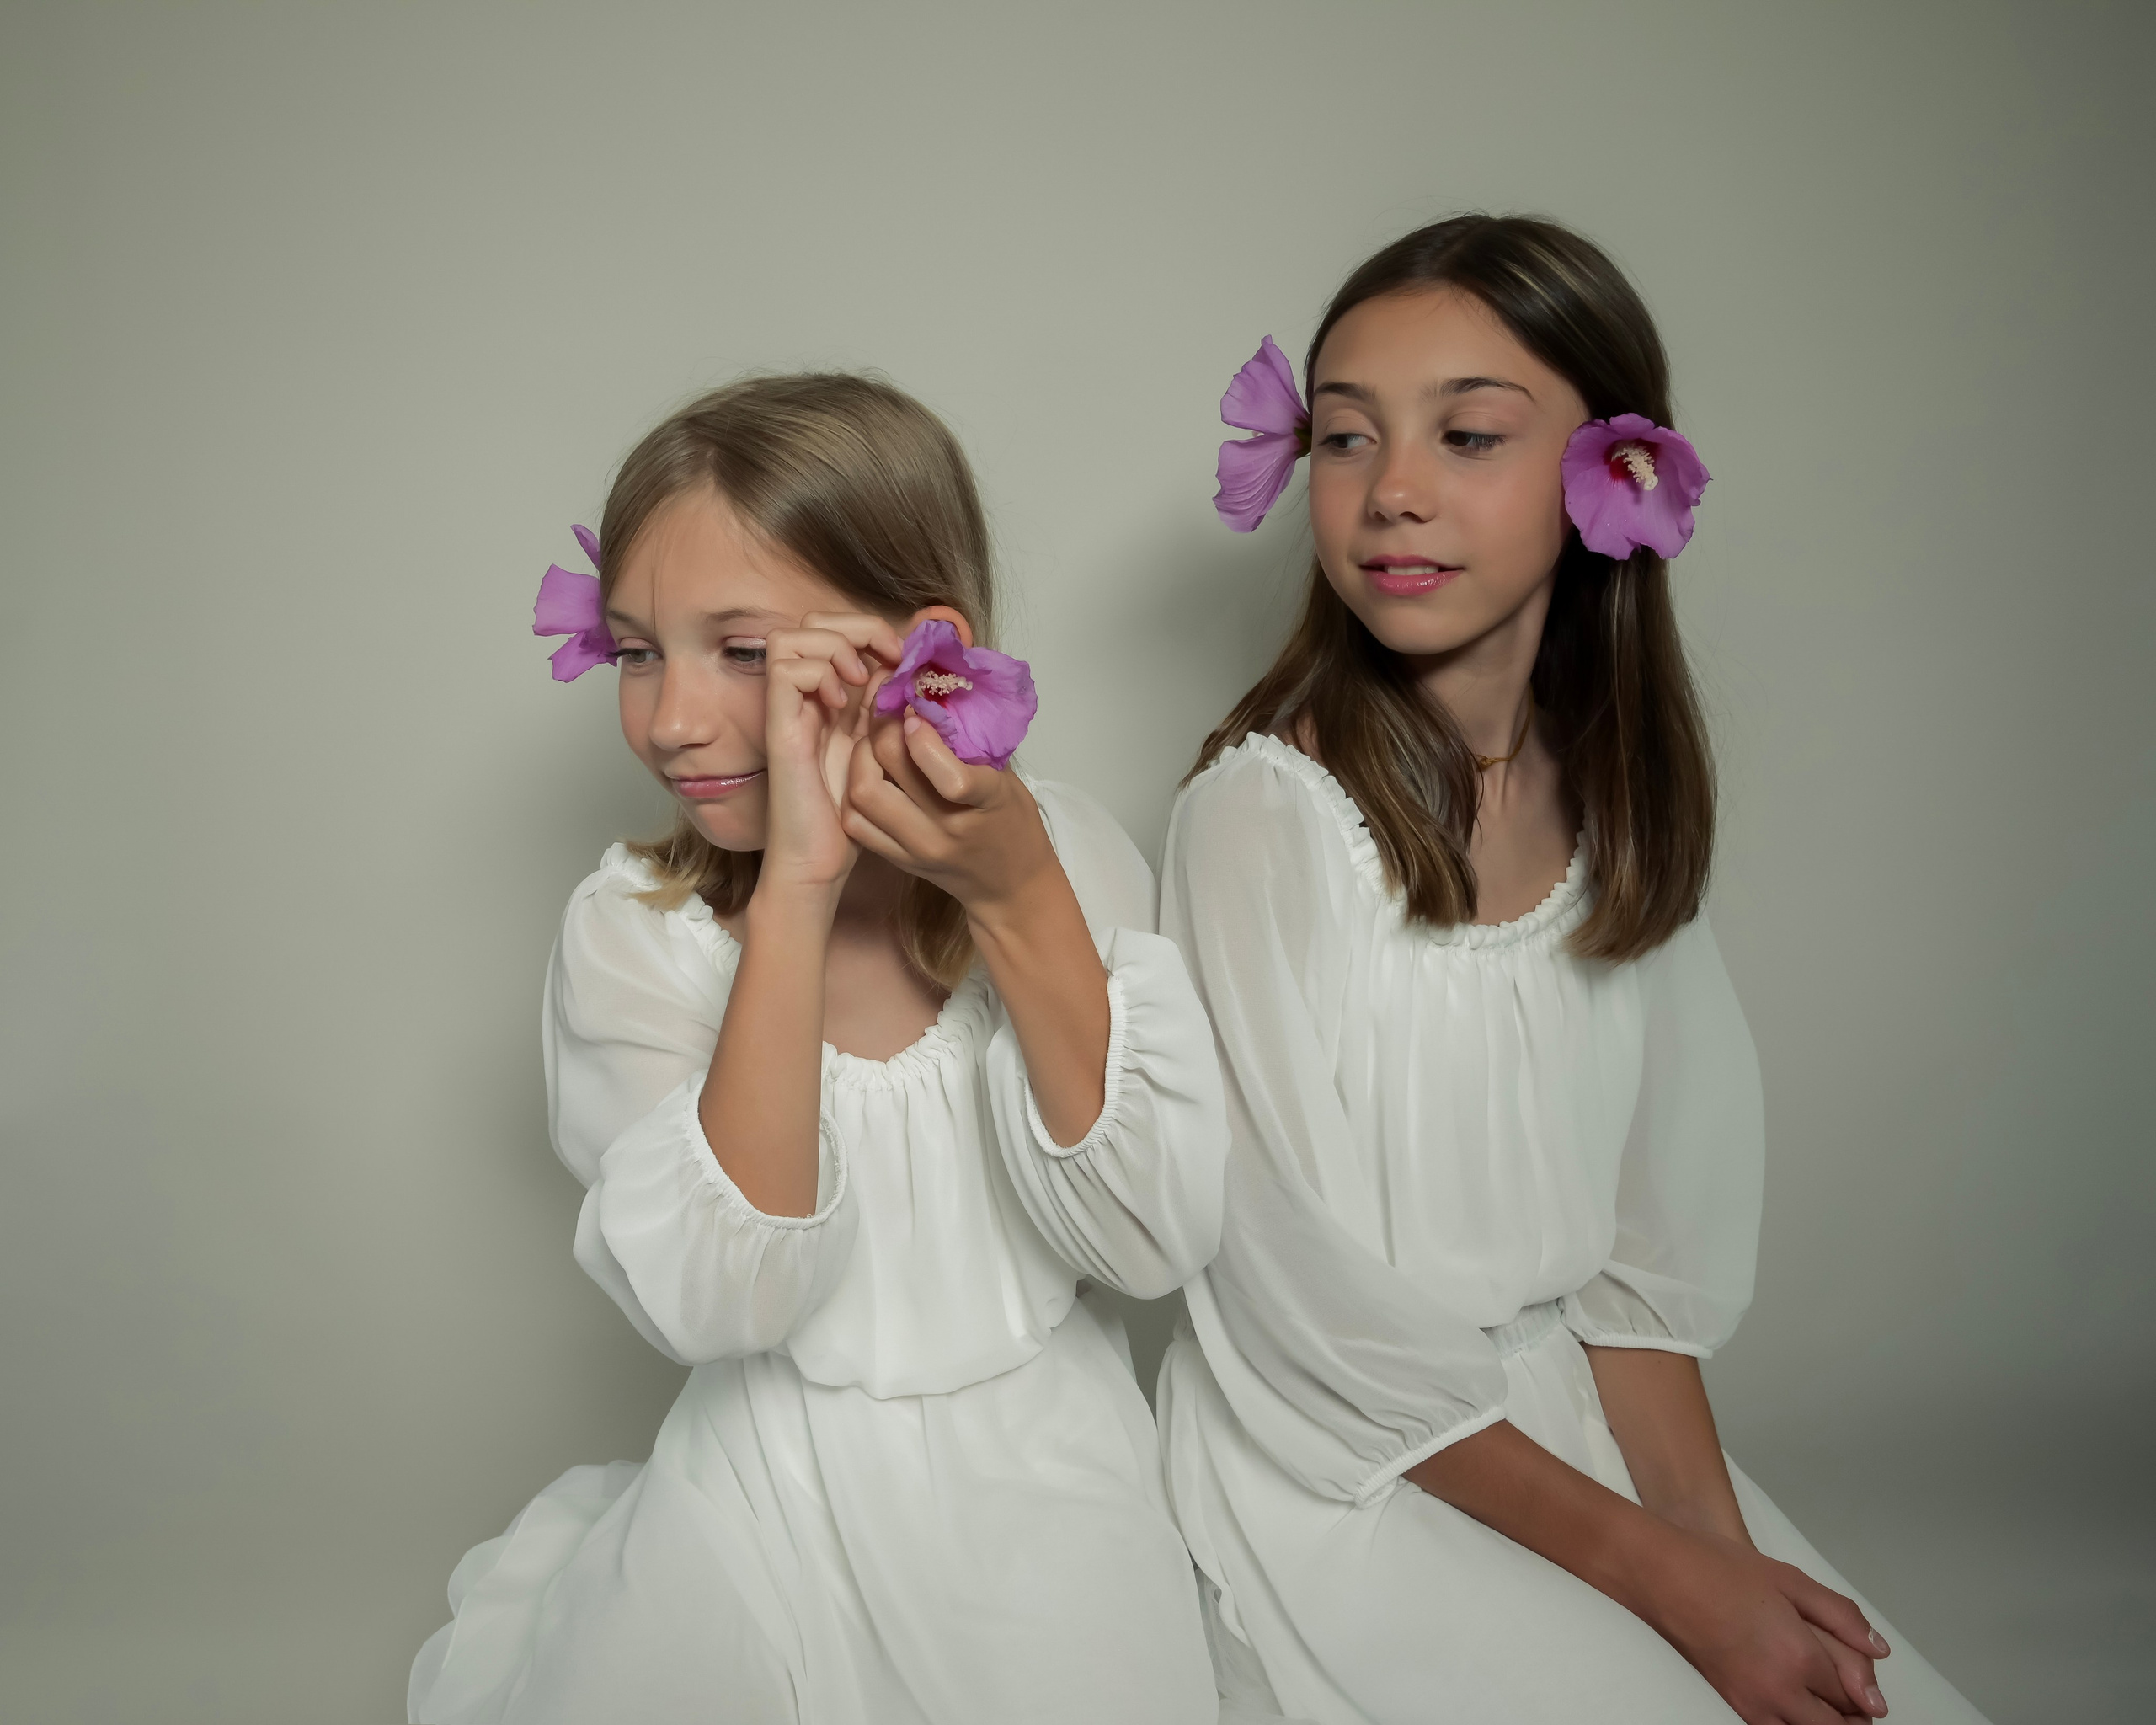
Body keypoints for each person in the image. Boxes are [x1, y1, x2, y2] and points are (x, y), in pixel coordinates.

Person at [1157, 215, 1989, 1725]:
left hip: (1570, 1433)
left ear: (1611, 474)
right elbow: (1297, 1309)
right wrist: (1664, 1583)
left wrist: (1719, 1566)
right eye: (1343, 439)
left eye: (1468, 434)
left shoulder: (1611, 799)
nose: (1391, 490)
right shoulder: (1267, 819)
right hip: (1356, 1466)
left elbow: (1640, 1274)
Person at [409, 374, 1225, 1724]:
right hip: (765, 1485)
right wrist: (793, 888)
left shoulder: (1060, 854)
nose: (669, 718)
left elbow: (1150, 1239)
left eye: (739, 650)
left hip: (1046, 1481)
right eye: (634, 651)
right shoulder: (640, 930)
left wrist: (1020, 899)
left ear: (918, 645)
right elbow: (731, 1301)